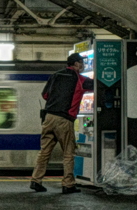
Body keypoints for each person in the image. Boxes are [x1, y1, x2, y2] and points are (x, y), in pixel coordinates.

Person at [30, 52, 93, 195]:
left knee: (44, 152)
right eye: (81, 63)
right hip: (64, 120)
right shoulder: (80, 79)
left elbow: (45, 95)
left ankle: (36, 180)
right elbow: (96, 86)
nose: (83, 66)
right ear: (76, 64)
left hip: (49, 117)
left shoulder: (55, 75)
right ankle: (68, 184)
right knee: (68, 152)